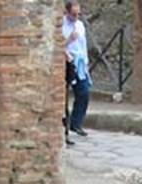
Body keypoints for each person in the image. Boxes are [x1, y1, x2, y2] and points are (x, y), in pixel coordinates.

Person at [62, 2, 92, 137]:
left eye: (78, 14)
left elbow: (83, 44)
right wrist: (68, 40)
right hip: (67, 62)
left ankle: (76, 123)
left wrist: (86, 62)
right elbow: (58, 44)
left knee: (84, 93)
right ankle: (65, 126)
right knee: (64, 96)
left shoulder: (80, 25)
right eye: (73, 14)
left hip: (80, 63)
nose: (76, 17)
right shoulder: (61, 25)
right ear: (67, 12)